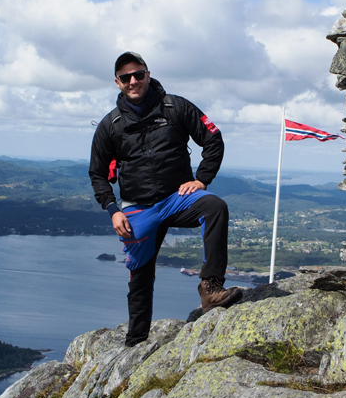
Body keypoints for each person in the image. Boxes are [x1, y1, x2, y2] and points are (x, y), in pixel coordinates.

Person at [89, 51, 243, 347]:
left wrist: (202, 179)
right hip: (138, 207)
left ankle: (211, 289)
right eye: (125, 77)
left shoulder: (175, 107)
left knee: (215, 207)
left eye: (138, 74)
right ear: (117, 82)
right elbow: (98, 173)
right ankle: (136, 342)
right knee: (140, 275)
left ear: (148, 74)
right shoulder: (111, 124)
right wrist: (112, 209)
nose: (133, 81)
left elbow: (212, 137)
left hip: (177, 198)